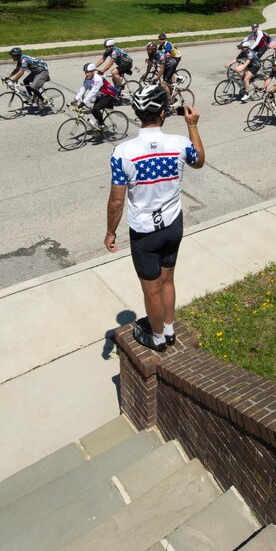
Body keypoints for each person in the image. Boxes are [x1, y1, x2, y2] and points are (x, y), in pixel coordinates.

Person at [105, 85, 205, 351]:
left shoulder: (122, 152)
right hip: (173, 224)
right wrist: (192, 125)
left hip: (144, 231)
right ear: (162, 113)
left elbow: (117, 201)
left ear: (138, 113)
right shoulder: (180, 143)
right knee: (168, 279)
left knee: (151, 289)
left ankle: (158, 338)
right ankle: (169, 329)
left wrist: (110, 232)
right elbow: (199, 161)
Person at [74, 63, 116, 130]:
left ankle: (102, 125)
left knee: (96, 109)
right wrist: (75, 99)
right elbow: (83, 88)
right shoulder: (88, 78)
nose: (86, 74)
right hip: (100, 96)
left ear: (93, 71)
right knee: (93, 110)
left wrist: (83, 103)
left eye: (88, 72)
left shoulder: (98, 79)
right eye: (85, 72)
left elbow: (92, 92)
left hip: (109, 95)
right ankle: (100, 123)